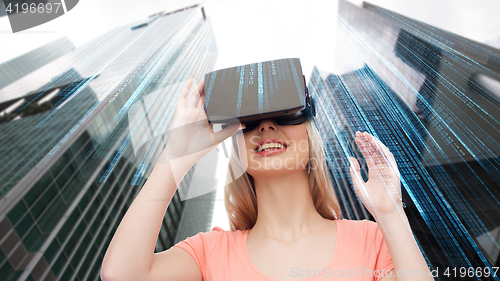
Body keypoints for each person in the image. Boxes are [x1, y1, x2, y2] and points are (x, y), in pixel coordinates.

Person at [101, 77, 433, 281]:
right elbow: (123, 275)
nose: (266, 126)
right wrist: (175, 156)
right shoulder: (210, 252)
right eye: (250, 120)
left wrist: (391, 213)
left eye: (287, 112)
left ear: (309, 132)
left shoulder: (372, 240)